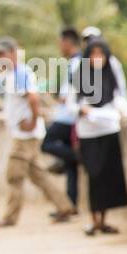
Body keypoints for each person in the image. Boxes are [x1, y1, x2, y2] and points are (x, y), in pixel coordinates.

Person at [0, 37, 77, 228]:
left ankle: (10, 217)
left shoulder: (20, 73)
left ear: (12, 53)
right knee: (39, 175)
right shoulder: (14, 74)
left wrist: (32, 121)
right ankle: (64, 206)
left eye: (1, 54)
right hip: (26, 134)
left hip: (25, 137)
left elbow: (34, 99)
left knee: (14, 176)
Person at [74, 38, 127, 235]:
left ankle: (103, 220)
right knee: (94, 175)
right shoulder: (79, 75)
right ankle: (94, 219)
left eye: (101, 54)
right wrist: (82, 110)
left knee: (108, 176)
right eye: (93, 54)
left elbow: (120, 97)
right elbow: (71, 103)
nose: (97, 58)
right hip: (88, 133)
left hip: (108, 129)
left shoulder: (112, 74)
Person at [42, 27, 82, 209]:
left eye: (60, 43)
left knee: (46, 143)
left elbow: (77, 93)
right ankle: (69, 205)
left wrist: (65, 99)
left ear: (67, 42)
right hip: (67, 115)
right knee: (70, 168)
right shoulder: (73, 63)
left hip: (68, 118)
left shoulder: (78, 63)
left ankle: (77, 157)